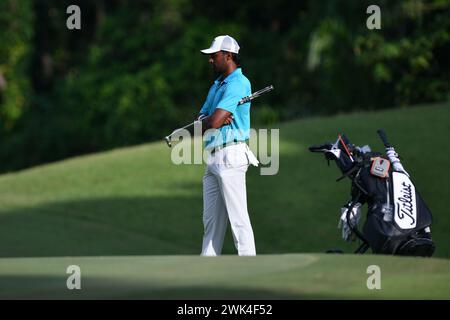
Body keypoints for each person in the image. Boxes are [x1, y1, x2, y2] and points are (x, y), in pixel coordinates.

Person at [197, 35, 259, 256]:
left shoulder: (240, 83)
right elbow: (202, 119)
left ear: (228, 56)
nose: (210, 60)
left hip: (231, 153)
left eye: (214, 56)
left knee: (238, 219)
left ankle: (250, 269)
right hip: (213, 157)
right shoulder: (216, 85)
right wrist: (214, 118)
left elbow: (212, 122)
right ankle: (207, 270)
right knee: (211, 223)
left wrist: (214, 119)